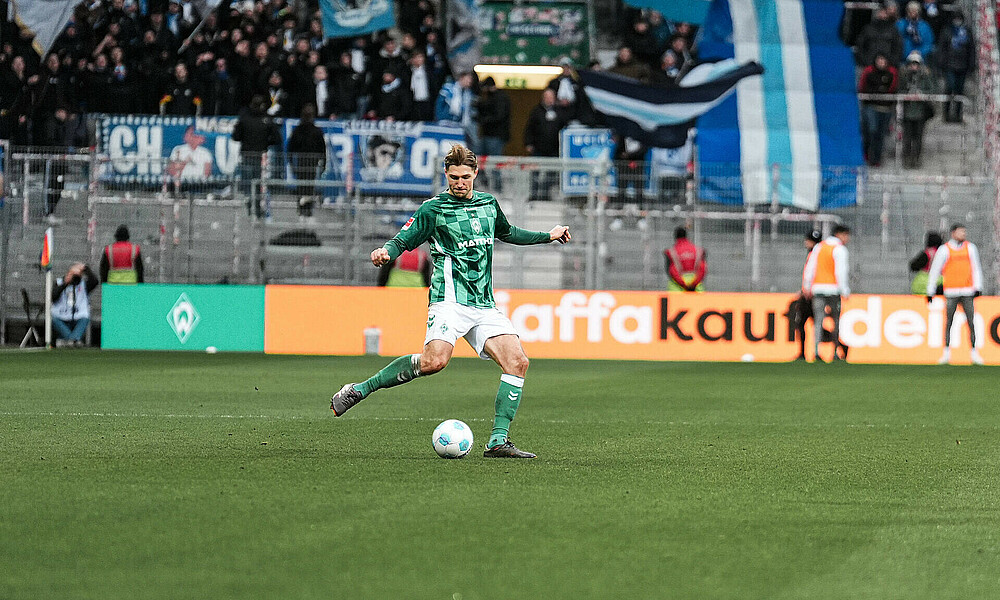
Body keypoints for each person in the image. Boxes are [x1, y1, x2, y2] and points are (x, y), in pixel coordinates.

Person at [330, 144, 572, 459]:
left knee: (518, 362)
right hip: (449, 301)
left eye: (465, 177)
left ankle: (498, 441)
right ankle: (359, 390)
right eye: (454, 177)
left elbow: (508, 232)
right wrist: (386, 251)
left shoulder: (488, 204)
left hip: (484, 305)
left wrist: (547, 235)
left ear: (475, 175)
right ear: (446, 174)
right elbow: (406, 237)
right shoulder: (434, 209)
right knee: (434, 362)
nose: (459, 182)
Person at [926, 224, 984, 365]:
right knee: (949, 322)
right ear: (953, 233)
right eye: (961, 231)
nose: (963, 234)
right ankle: (946, 352)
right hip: (951, 291)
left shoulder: (970, 248)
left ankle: (974, 352)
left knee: (971, 322)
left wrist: (978, 286)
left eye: (964, 232)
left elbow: (976, 268)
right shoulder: (944, 249)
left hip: (967, 290)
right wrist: (930, 290)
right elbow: (935, 270)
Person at [792, 231, 848, 361]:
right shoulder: (839, 249)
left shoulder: (818, 248)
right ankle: (835, 352)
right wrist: (844, 290)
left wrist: (806, 288)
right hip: (834, 290)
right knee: (835, 321)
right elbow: (841, 271)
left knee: (818, 322)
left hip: (816, 290)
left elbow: (809, 270)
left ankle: (816, 352)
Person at [286, 104, 327, 219]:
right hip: (310, 163)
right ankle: (307, 209)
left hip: (302, 163)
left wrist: (291, 163)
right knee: (309, 187)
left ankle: (302, 208)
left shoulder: (297, 131)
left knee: (302, 187)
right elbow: (323, 150)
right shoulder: (316, 131)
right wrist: (323, 163)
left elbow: (290, 149)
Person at [858, 54, 898, 167]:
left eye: (883, 60)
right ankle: (867, 152)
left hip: (885, 108)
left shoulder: (892, 72)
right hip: (871, 106)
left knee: (881, 134)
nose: (881, 62)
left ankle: (876, 159)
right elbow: (863, 87)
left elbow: (892, 88)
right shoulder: (869, 71)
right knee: (871, 130)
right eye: (879, 60)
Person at [899, 51, 935, 169]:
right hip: (907, 112)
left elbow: (932, 90)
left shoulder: (925, 77)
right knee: (907, 138)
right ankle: (907, 158)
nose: (914, 67)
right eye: (912, 64)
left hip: (920, 112)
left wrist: (922, 95)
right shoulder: (904, 77)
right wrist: (906, 95)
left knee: (918, 138)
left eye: (916, 64)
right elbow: (899, 90)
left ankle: (917, 159)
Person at [937, 11, 974, 123]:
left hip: (963, 66)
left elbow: (971, 49)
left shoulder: (967, 32)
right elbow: (942, 48)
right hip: (949, 66)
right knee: (949, 88)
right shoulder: (947, 31)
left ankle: (958, 114)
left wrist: (971, 65)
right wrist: (941, 64)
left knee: (960, 91)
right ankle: (946, 113)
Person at [51, 262, 98, 347]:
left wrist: (85, 268)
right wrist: (65, 283)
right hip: (61, 316)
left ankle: (70, 341)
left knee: (85, 318)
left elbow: (95, 281)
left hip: (78, 315)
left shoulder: (83, 284)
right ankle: (74, 340)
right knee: (54, 320)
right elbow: (53, 297)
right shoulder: (59, 282)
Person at [664, 227, 706, 292]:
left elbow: (672, 271)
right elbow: (702, 269)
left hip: (677, 289)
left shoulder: (671, 252)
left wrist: (684, 285)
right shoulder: (699, 251)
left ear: (675, 237)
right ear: (686, 236)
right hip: (696, 288)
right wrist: (694, 284)